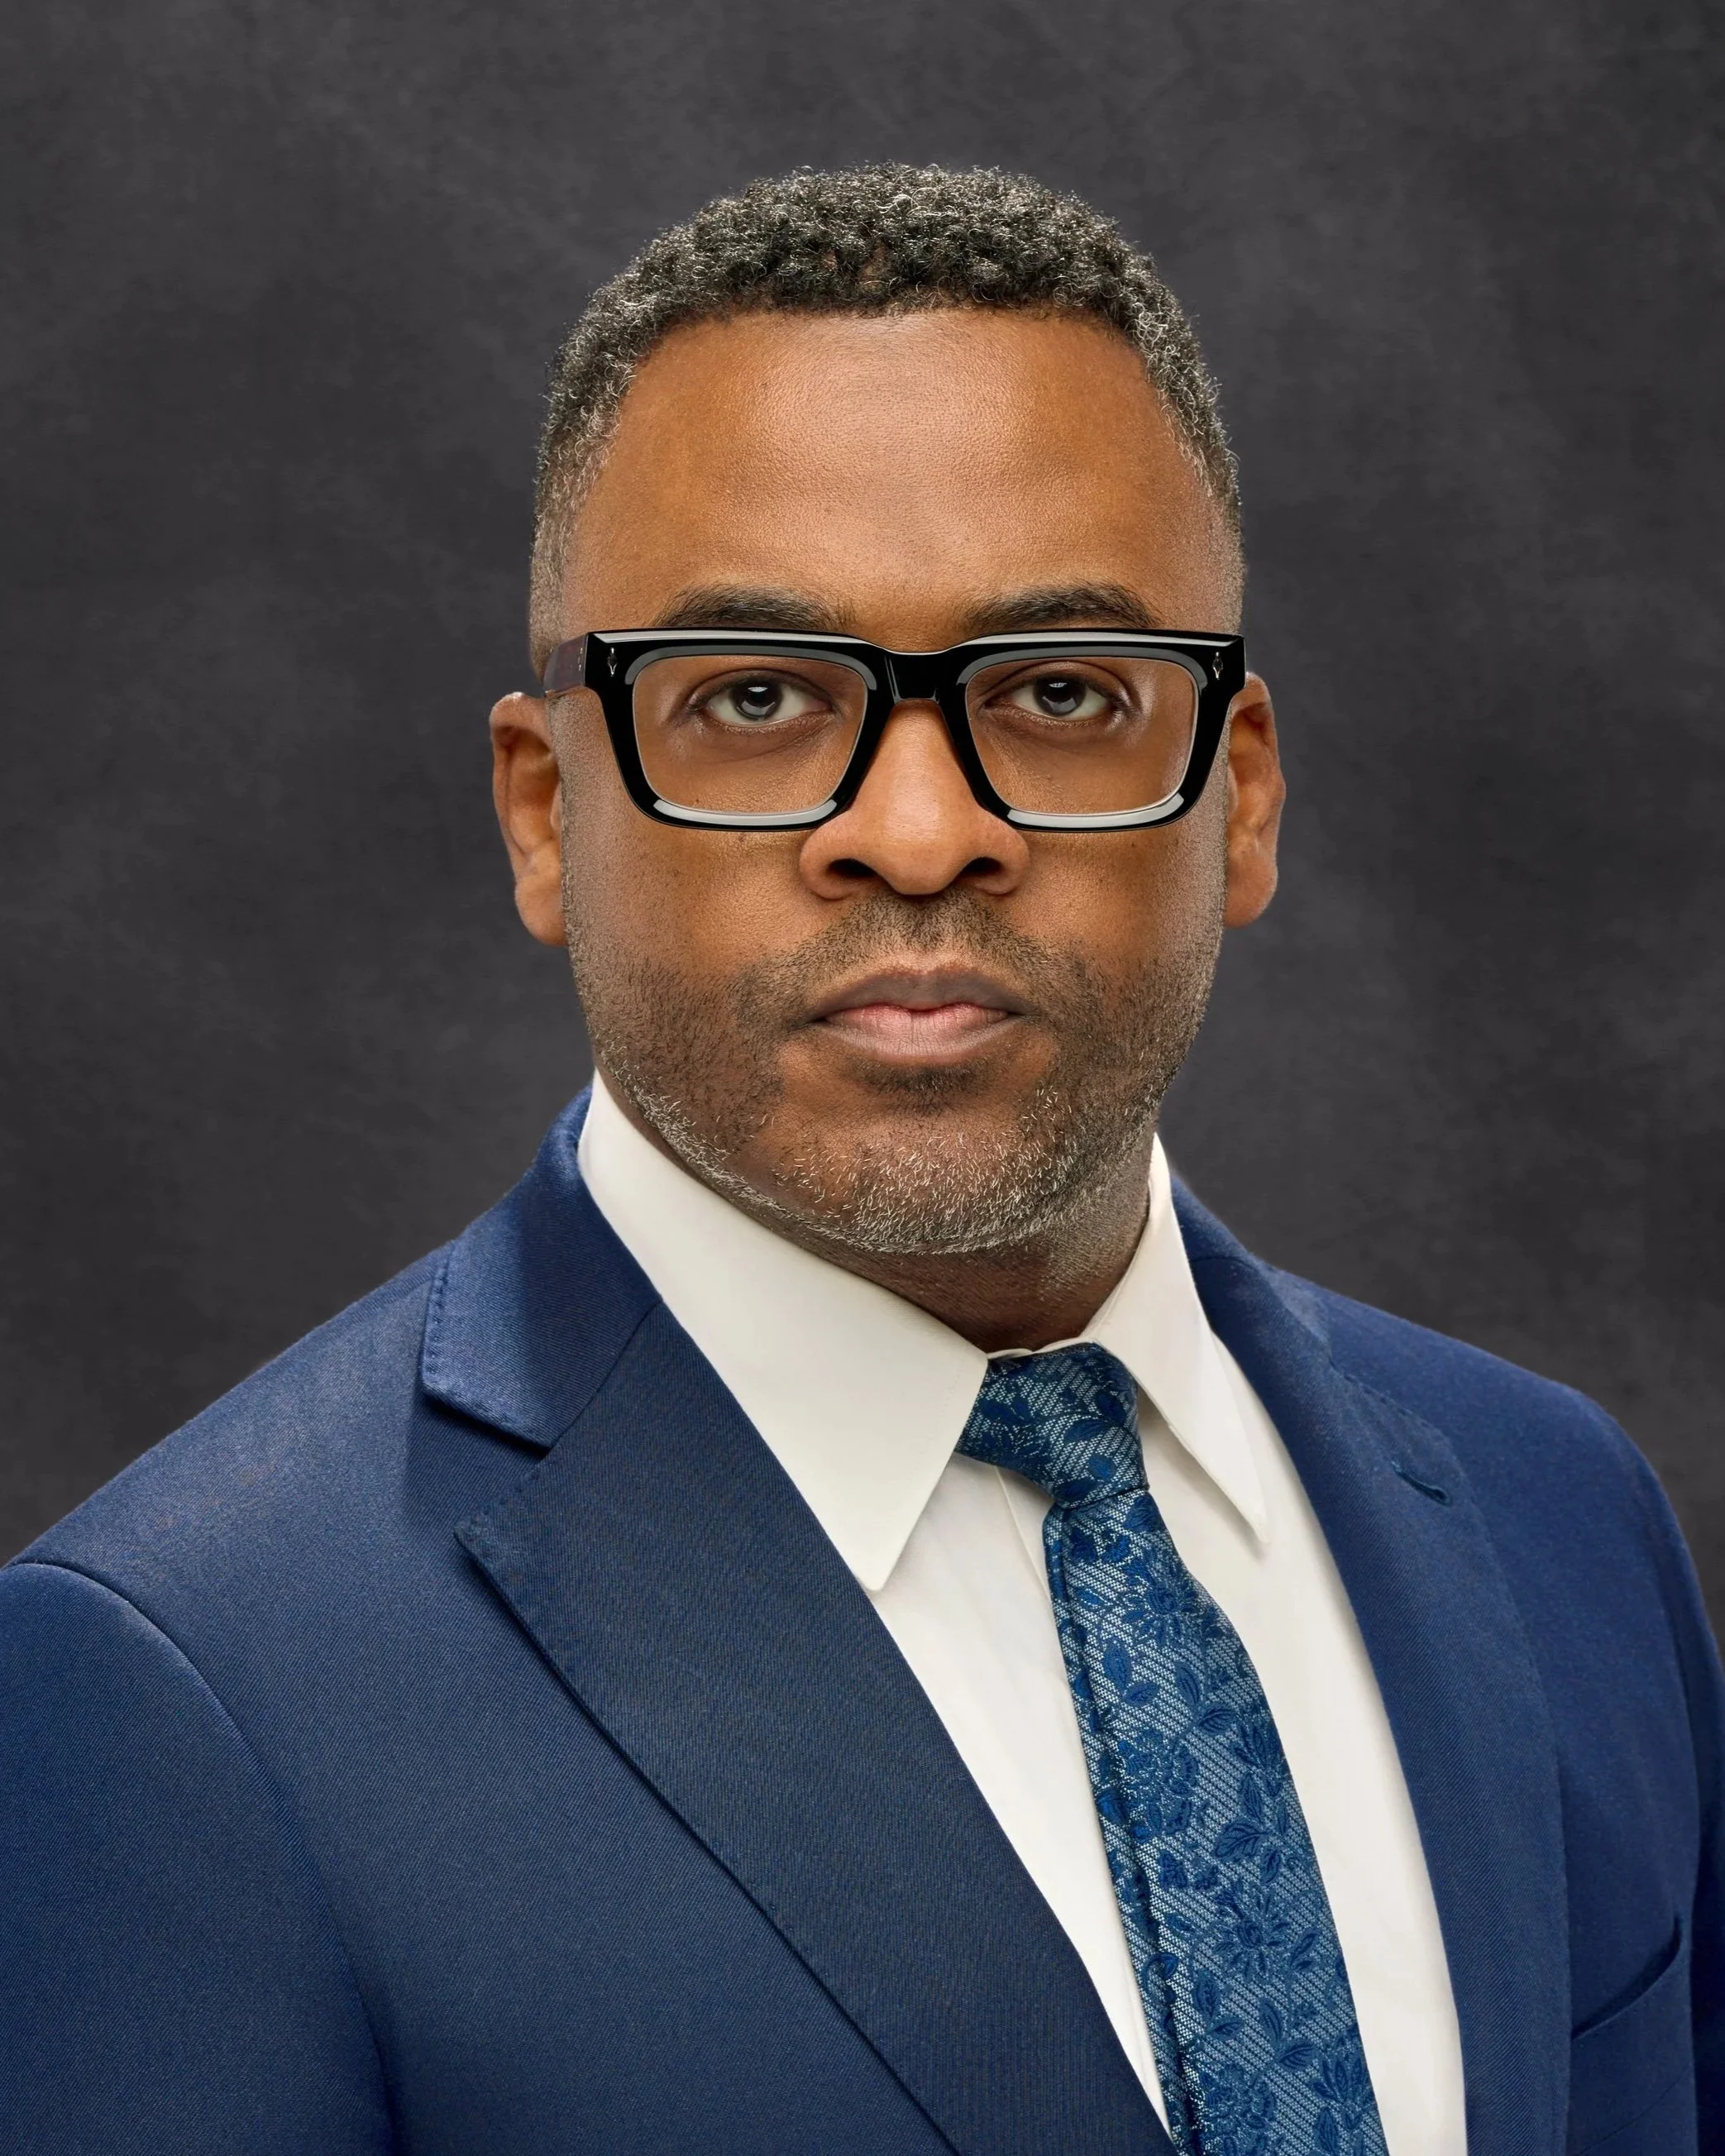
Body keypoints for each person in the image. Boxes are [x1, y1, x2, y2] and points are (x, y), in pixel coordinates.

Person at [2, 165, 1718, 2156]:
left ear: (1235, 798)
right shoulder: (175, 1695)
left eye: (1062, 693)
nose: (917, 832)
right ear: (543, 814)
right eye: (751, 696)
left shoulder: (1555, 1515)